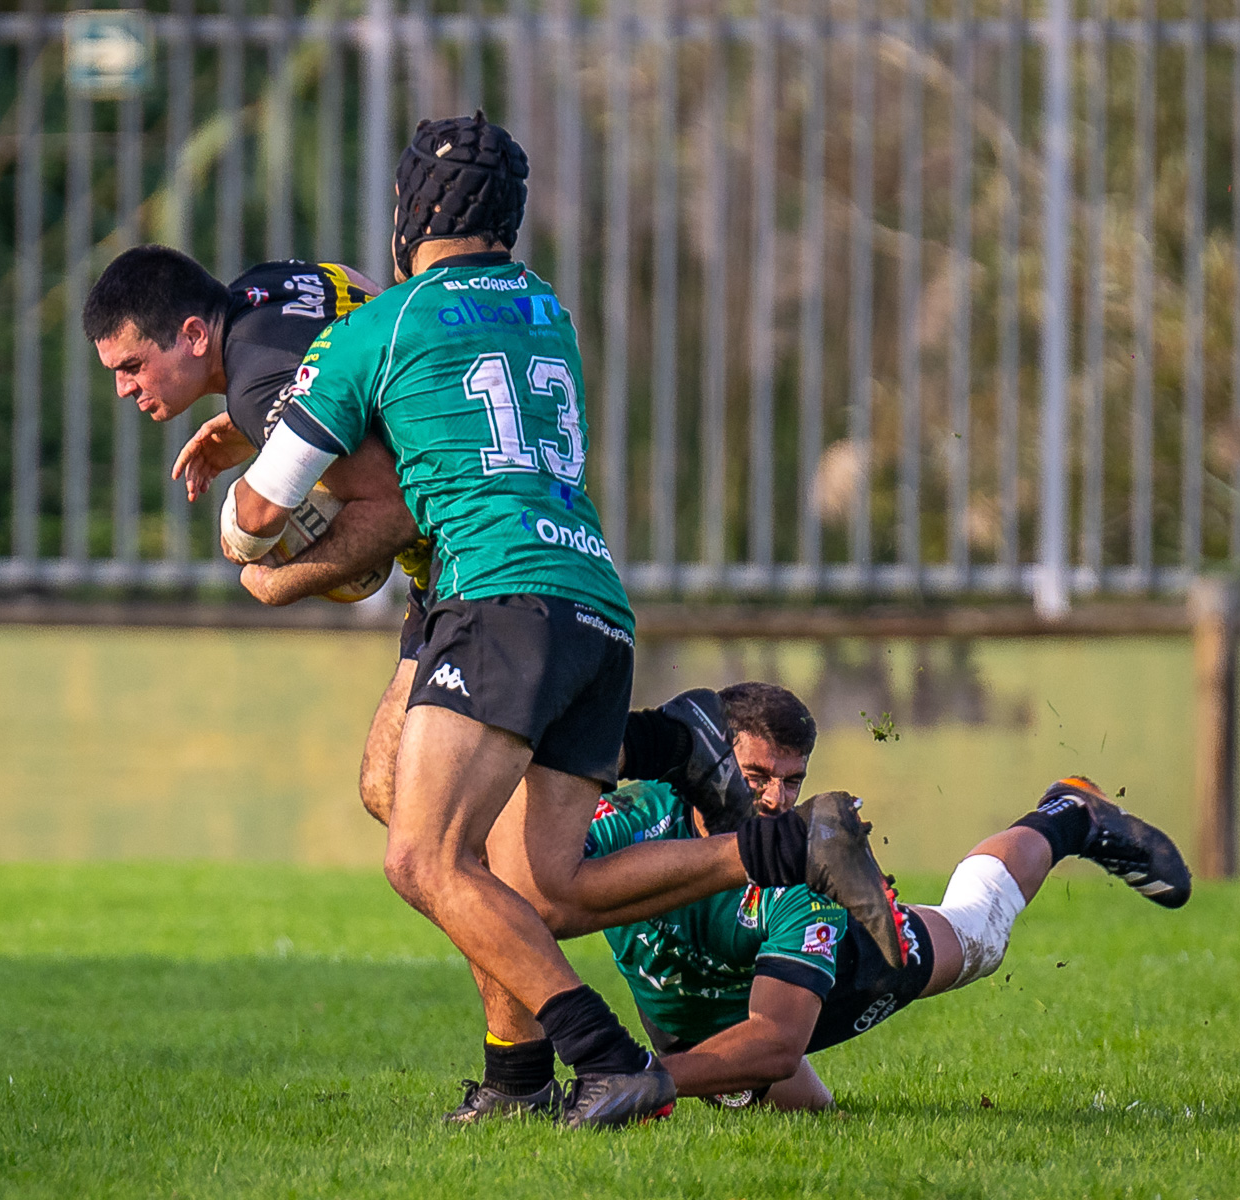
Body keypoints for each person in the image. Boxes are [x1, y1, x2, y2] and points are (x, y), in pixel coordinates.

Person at [218, 114, 901, 1127]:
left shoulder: (384, 324)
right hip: (593, 603)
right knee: (546, 891)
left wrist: (246, 545)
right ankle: (786, 845)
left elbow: (261, 510)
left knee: (422, 857)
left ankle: (609, 1060)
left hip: (496, 599)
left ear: (408, 211)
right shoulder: (548, 311)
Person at [461, 682, 1193, 1115]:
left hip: (846, 972)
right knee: (808, 1119)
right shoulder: (636, 816)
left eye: (793, 782)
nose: (777, 801)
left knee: (979, 932)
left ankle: (1068, 814)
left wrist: (644, 1081)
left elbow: (777, 1044)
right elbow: (511, 887)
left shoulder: (803, 872)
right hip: (695, 1009)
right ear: (709, 759)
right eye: (756, 776)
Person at [82, 246, 419, 607]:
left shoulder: (255, 390)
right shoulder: (269, 281)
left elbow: (397, 509)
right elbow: (363, 293)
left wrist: (279, 584)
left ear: (195, 336)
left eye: (132, 367)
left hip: (457, 553)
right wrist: (282, 423)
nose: (123, 388)